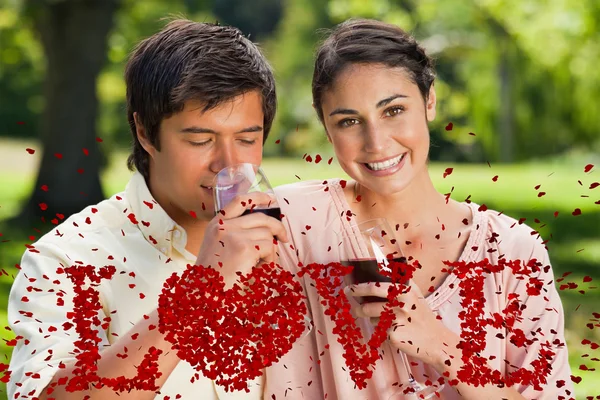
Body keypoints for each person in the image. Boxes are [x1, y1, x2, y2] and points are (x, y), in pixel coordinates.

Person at [266, 18, 574, 399]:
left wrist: (442, 346)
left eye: (393, 110)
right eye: (349, 121)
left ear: (429, 101)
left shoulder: (512, 251)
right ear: (327, 130)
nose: (376, 143)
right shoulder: (291, 224)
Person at [8, 19, 289, 399]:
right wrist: (202, 289)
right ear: (145, 133)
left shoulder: (291, 235)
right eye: (200, 139)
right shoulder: (66, 259)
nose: (227, 163)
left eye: (247, 139)